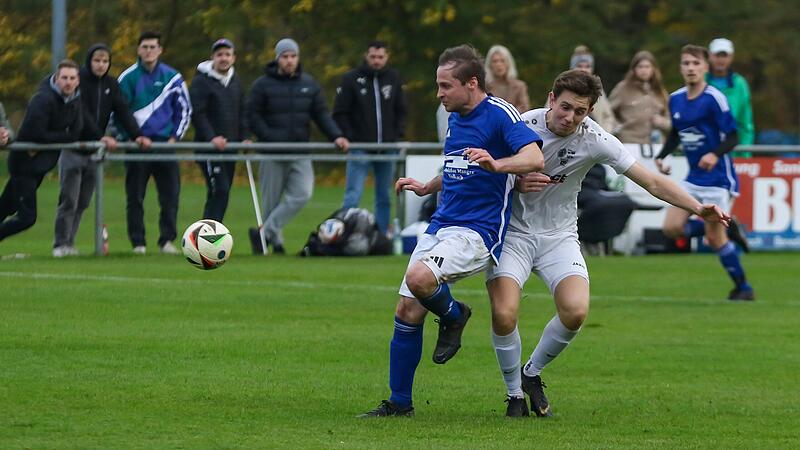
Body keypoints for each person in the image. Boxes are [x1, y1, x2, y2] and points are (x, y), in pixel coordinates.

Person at [485, 69, 732, 418]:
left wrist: (697, 207)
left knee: (575, 312)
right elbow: (482, 172)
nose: (570, 117)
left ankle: (531, 373)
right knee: (504, 313)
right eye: (565, 107)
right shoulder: (520, 126)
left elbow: (652, 181)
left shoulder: (594, 138)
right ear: (551, 99)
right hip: (513, 234)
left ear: (590, 112)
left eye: (580, 111)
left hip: (559, 237)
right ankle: (513, 396)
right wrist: (513, 181)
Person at [360, 44, 545, 418]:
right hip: (442, 223)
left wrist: (498, 165)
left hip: (478, 231)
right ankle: (400, 403)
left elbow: (534, 158)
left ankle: (454, 315)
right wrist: (430, 185)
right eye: (438, 85)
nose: (439, 93)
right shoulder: (455, 116)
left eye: (445, 86)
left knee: (419, 279)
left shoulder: (499, 114)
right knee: (407, 308)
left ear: (471, 83)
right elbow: (459, 166)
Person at [655, 45, 754, 301]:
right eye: (686, 63)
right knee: (671, 228)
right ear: (681, 67)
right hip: (693, 177)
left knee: (714, 240)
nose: (690, 68)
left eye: (695, 63)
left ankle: (743, 287)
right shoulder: (675, 98)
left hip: (719, 178)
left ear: (705, 68)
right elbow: (677, 133)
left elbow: (733, 136)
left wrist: (714, 154)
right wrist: (662, 155)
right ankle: (729, 228)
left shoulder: (714, 98)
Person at [247, 38, 349, 254]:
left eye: (293, 56)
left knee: (302, 193)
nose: (289, 61)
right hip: (271, 152)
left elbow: (321, 114)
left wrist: (336, 136)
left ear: (298, 58)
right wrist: (267, 136)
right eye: (285, 57)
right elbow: (252, 115)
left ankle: (264, 233)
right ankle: (276, 243)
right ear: (277, 59)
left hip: (300, 151)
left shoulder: (309, 84)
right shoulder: (262, 85)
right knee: (271, 202)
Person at [52, 44, 152, 258]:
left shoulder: (111, 84)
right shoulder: (79, 82)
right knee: (69, 199)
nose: (101, 65)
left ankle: (70, 243)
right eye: (97, 60)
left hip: (95, 154)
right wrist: (100, 137)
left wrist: (137, 135)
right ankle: (60, 244)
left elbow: (123, 110)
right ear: (89, 61)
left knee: (83, 202)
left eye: (105, 61)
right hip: (75, 148)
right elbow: (83, 113)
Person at [0, 60, 103, 243]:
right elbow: (35, 133)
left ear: (78, 80)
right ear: (56, 79)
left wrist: (70, 136)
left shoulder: (75, 99)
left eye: (72, 78)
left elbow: (77, 130)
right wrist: (65, 136)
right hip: (24, 165)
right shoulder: (42, 99)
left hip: (39, 166)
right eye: (64, 78)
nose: (68, 82)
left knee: (6, 207)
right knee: (27, 217)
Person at [117, 30, 192, 255]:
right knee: (135, 197)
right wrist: (132, 138)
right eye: (145, 47)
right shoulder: (127, 78)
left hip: (164, 146)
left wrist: (174, 138)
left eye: (153, 47)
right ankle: (138, 243)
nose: (149, 51)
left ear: (160, 50)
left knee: (170, 197)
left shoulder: (173, 78)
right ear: (139, 50)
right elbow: (118, 112)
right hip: (137, 147)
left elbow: (185, 110)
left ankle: (166, 241)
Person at [334, 40, 407, 236]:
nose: (376, 61)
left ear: (387, 57)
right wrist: (350, 136)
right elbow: (340, 112)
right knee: (353, 194)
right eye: (373, 57)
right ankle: (345, 234)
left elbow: (401, 110)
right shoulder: (351, 79)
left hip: (387, 148)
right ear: (367, 56)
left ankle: (381, 236)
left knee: (384, 195)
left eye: (381, 57)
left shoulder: (393, 78)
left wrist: (397, 134)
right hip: (360, 147)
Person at [190, 38, 249, 222]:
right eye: (219, 54)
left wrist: (244, 137)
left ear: (233, 58)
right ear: (212, 57)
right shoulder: (201, 82)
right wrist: (212, 137)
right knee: (219, 189)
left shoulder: (235, 81)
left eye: (227, 54)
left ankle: (212, 234)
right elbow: (198, 114)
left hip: (230, 148)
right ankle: (207, 234)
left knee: (223, 192)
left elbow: (242, 111)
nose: (223, 58)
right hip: (209, 149)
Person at [608, 50, 671, 144]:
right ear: (634, 69)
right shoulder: (623, 88)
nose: (644, 70)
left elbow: (671, 119)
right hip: (629, 144)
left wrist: (662, 122)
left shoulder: (659, 91)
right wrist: (616, 127)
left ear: (653, 69)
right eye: (640, 66)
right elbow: (607, 113)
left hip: (656, 144)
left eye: (647, 67)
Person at [706, 38, 754, 153]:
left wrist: (745, 152)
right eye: (717, 55)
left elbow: (745, 122)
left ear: (731, 57)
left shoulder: (739, 83)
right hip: (704, 149)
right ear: (710, 56)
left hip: (732, 150)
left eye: (724, 55)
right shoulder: (700, 80)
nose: (721, 60)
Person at [569, 45, 617, 133]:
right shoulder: (564, 87)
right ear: (573, 68)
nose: (584, 70)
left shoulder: (597, 89)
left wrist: (604, 133)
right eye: (579, 66)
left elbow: (608, 116)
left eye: (587, 66)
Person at [485, 45, 530, 113]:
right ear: (490, 65)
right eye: (495, 61)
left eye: (502, 61)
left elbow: (524, 108)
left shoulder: (519, 86)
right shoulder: (485, 87)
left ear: (508, 63)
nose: (499, 64)